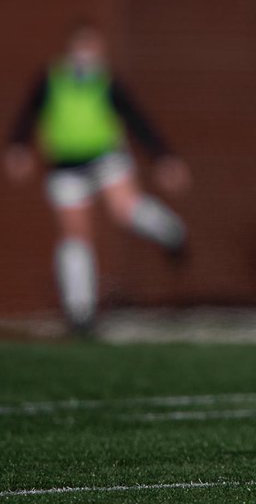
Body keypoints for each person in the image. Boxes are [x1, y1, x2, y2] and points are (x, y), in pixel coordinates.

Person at [4, 21, 190, 334]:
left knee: (125, 210)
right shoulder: (51, 80)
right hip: (65, 166)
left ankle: (171, 232)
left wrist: (163, 158)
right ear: (69, 49)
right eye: (81, 47)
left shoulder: (107, 82)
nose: (86, 55)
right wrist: (18, 147)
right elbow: (28, 113)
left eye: (92, 48)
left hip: (105, 158)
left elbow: (137, 119)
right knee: (75, 234)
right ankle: (80, 310)